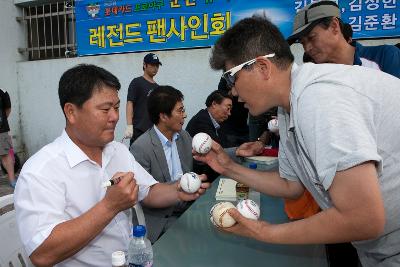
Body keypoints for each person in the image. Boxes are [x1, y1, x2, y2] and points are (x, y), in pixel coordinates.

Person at [196, 16, 400, 267]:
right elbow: (291, 185)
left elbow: (364, 218)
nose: (233, 92)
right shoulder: (289, 106)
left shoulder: (318, 100)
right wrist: (227, 167)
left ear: (262, 67)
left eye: (231, 78)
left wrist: (264, 232)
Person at [14, 64, 209, 267]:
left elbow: (149, 192)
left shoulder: (118, 151)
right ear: (71, 112)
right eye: (105, 109)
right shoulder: (40, 171)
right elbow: (42, 253)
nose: (115, 117)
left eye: (116, 108)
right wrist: (110, 206)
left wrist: (178, 191)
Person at [130, 85, 194, 243]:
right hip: (161, 219)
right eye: (180, 111)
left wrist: (238, 151)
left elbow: (209, 155)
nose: (184, 115)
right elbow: (142, 195)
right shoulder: (141, 147)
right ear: (164, 116)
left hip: (188, 210)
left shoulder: (184, 136)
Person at [287, 1, 400, 78]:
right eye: (302, 43)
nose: (307, 48)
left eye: (311, 38)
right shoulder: (315, 75)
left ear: (334, 26)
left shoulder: (384, 56)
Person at [125, 53, 162, 144]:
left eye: (157, 66)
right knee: (136, 156)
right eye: (152, 65)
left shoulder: (158, 88)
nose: (155, 68)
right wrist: (129, 125)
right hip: (139, 130)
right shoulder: (137, 82)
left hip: (154, 131)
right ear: (144, 65)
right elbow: (130, 103)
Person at [217, 78, 249, 147]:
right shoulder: (225, 79)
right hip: (228, 129)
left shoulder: (246, 78)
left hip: (244, 128)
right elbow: (223, 98)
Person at [0, 88, 17, 188]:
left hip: (1, 129)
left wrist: (2, 123)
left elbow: (8, 109)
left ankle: (12, 180)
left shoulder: (3, 91)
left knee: (5, 155)